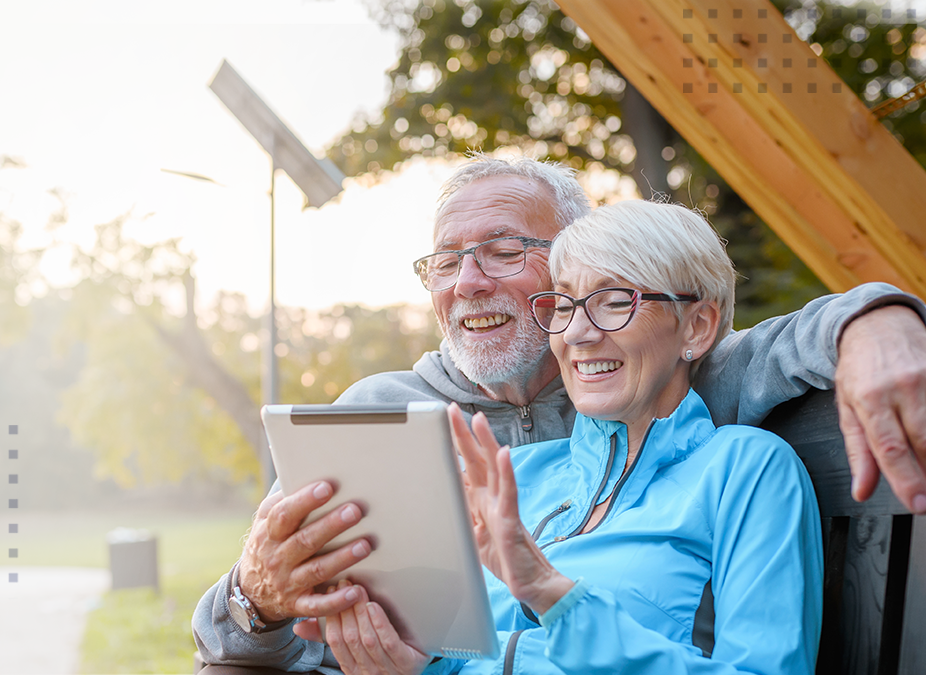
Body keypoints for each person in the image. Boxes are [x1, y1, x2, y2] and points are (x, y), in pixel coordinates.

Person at [192, 155, 926, 673]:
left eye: (503, 250)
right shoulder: (415, 429)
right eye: (446, 262)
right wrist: (255, 597)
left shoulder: (700, 414)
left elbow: (765, 341)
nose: (469, 281)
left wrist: (877, 314)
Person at [318, 199, 822, 675]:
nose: (577, 332)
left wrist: (549, 592)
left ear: (696, 327)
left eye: (613, 301)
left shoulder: (747, 470)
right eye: (563, 305)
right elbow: (475, 655)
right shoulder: (521, 473)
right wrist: (419, 661)